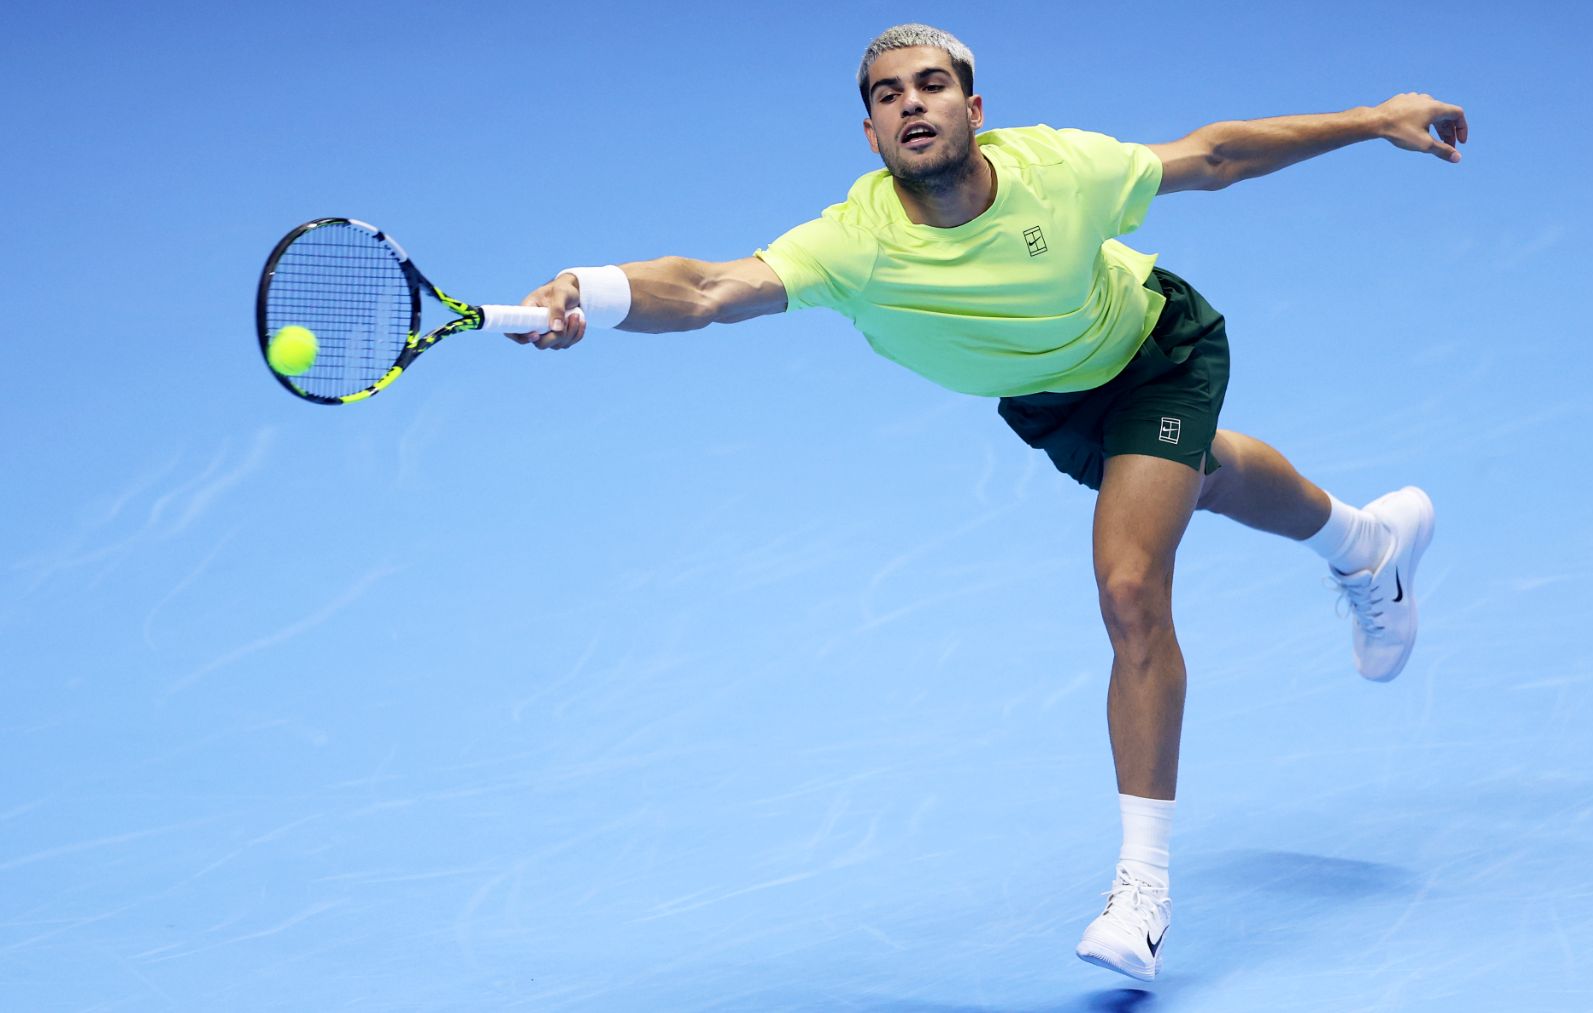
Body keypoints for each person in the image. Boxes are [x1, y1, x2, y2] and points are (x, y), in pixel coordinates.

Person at [511, 23, 1465, 982]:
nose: (910, 103)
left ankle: (1142, 892)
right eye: (887, 95)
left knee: (1131, 586)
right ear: (872, 136)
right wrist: (593, 290)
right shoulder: (853, 243)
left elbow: (1212, 156)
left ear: (973, 111)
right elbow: (713, 286)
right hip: (1051, 401)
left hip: (1156, 353)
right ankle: (1366, 540)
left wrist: (1375, 119)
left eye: (930, 86)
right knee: (1204, 477)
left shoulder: (1059, 170)